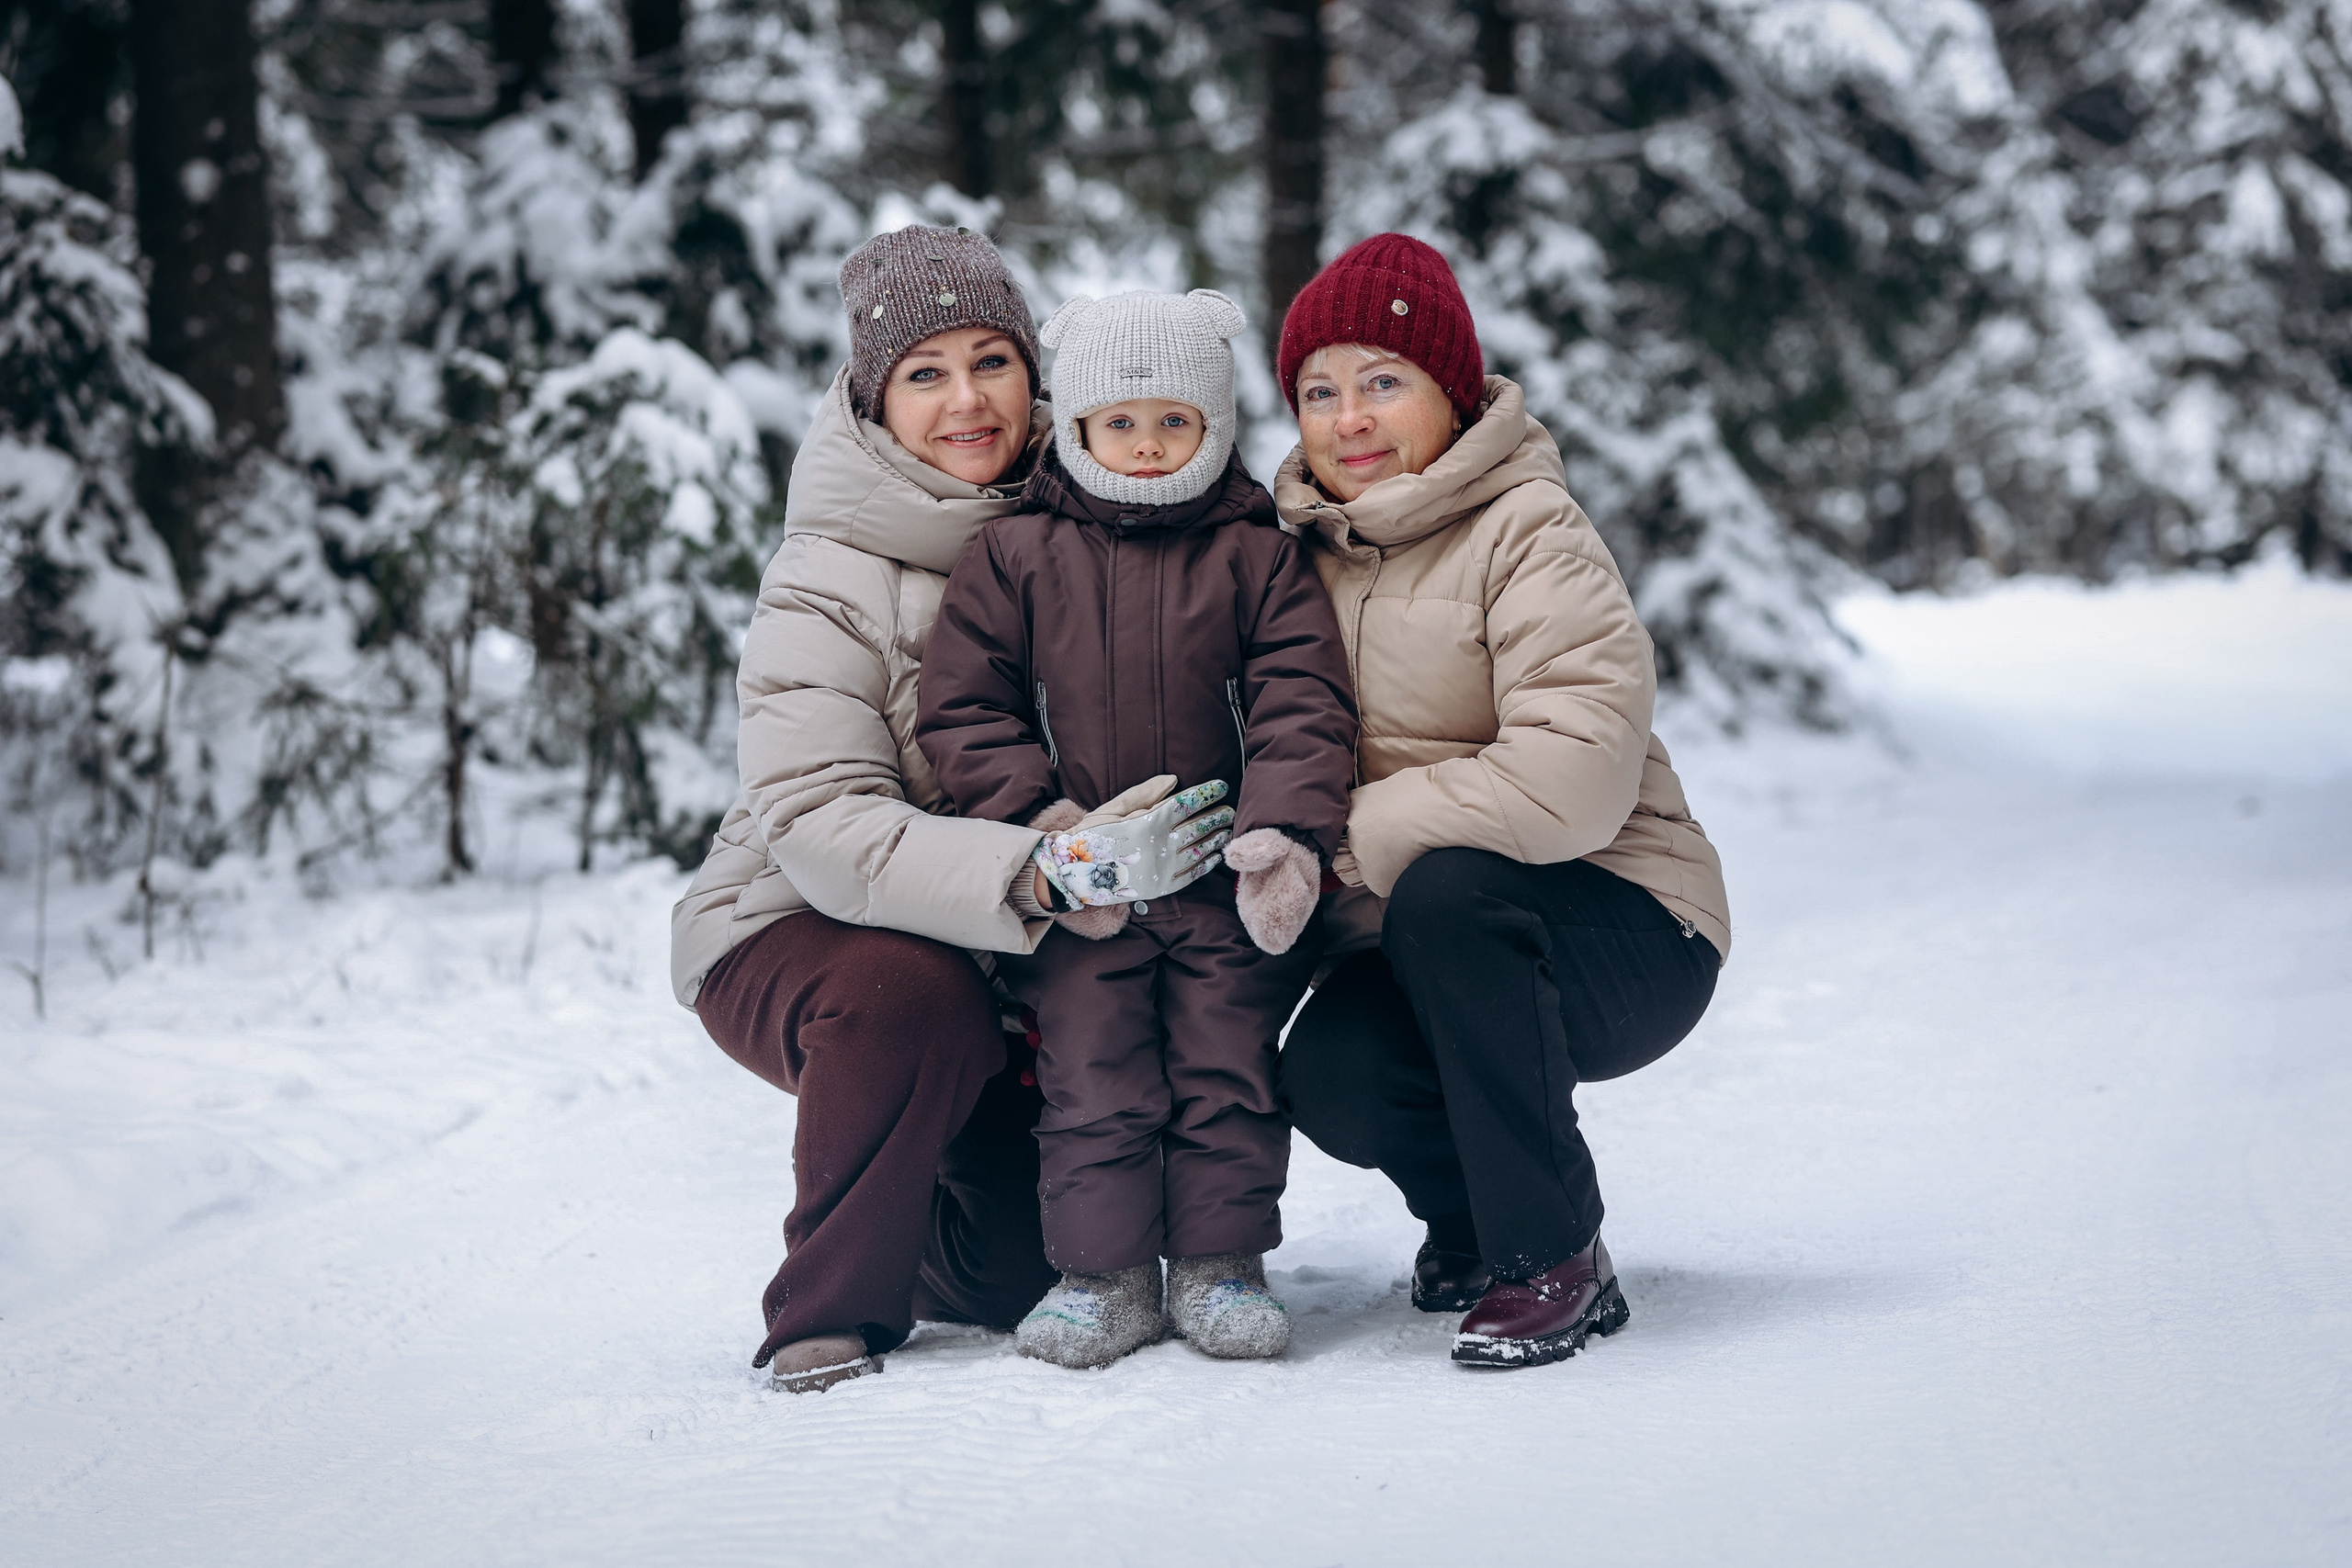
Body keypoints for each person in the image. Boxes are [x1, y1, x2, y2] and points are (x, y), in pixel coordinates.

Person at [670, 227, 1232, 1393]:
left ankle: (921, 1208)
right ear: (876, 402)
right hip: (797, 926)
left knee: (1017, 1272)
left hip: (1008, 949)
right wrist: (1042, 871)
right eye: (924, 373)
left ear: (1035, 374)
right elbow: (821, 820)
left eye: (992, 361)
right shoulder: (827, 574)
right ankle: (829, 1306)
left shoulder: (1113, 505)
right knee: (904, 996)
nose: (967, 400)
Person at [1268, 234, 1734, 1370]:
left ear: (1452, 391)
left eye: (1383, 381)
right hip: (1422, 935)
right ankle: (1473, 1227)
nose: (1349, 419)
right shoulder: (1288, 557)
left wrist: (1350, 840)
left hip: (1622, 925)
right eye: (1319, 392)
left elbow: (1573, 777)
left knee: (1450, 892)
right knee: (1332, 1064)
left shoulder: (1529, 529)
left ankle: (1551, 1252)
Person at [916, 289, 1358, 1369]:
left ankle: (1219, 1267)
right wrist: (1045, 830)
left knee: (1228, 1072)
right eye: (1121, 422)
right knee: (1090, 1078)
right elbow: (966, 710)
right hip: (1084, 889)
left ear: (1215, 424)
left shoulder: (1258, 557)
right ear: (1076, 426)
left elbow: (1304, 705)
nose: (1149, 444)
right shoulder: (1014, 556)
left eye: (1175, 420)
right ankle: (1102, 1277)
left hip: (1216, 879)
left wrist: (1283, 835)